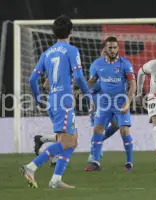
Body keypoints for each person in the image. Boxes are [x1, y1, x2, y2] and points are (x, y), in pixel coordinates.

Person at [20, 15, 91, 188]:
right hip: (64, 102)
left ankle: (56, 179)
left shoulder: (46, 54)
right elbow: (80, 77)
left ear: (53, 33)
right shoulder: (71, 50)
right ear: (71, 31)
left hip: (53, 101)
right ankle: (31, 167)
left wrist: (38, 99)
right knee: (66, 142)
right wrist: (88, 94)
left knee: (72, 140)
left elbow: (32, 79)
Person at [85, 36, 136, 172]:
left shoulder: (125, 64)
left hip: (120, 103)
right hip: (104, 103)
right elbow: (92, 81)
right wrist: (79, 88)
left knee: (124, 130)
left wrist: (127, 103)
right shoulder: (97, 64)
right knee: (97, 129)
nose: (112, 50)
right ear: (105, 49)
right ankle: (95, 162)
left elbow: (132, 84)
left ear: (118, 48)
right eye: (110, 47)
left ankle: (129, 162)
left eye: (114, 47)